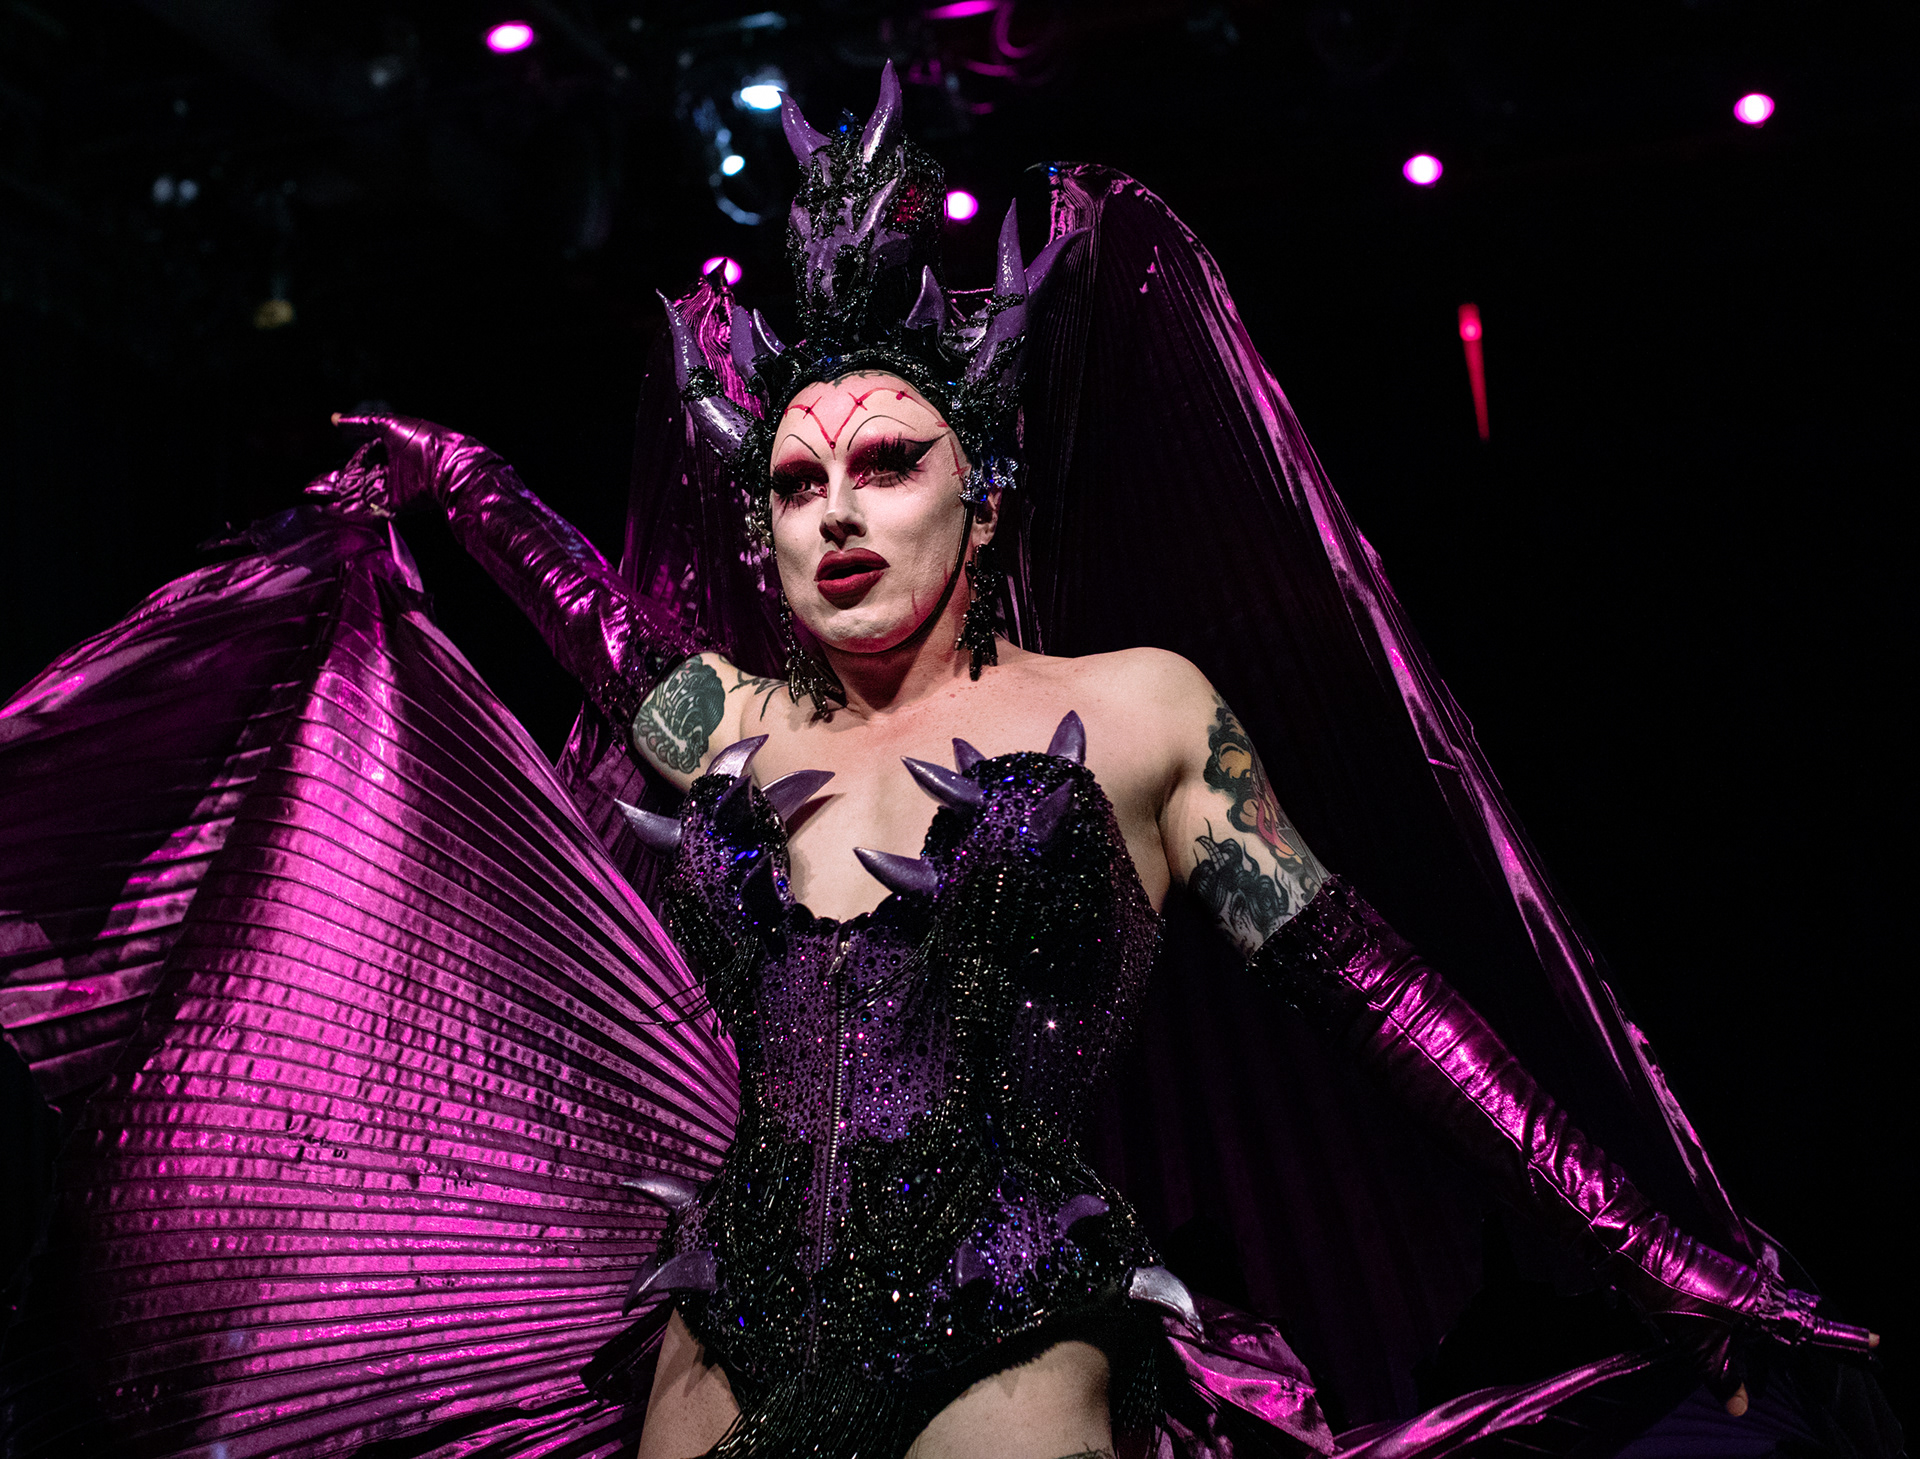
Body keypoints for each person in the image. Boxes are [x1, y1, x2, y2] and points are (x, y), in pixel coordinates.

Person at [0, 62, 1884, 1459]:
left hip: (1014, 1319)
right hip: (724, 1329)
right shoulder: (724, 727)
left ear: (984, 493)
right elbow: (585, 621)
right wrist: (458, 479)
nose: (837, 511)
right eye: (794, 480)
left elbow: (1386, 1004)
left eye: (889, 464)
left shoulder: (1140, 709)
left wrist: (1664, 1255)